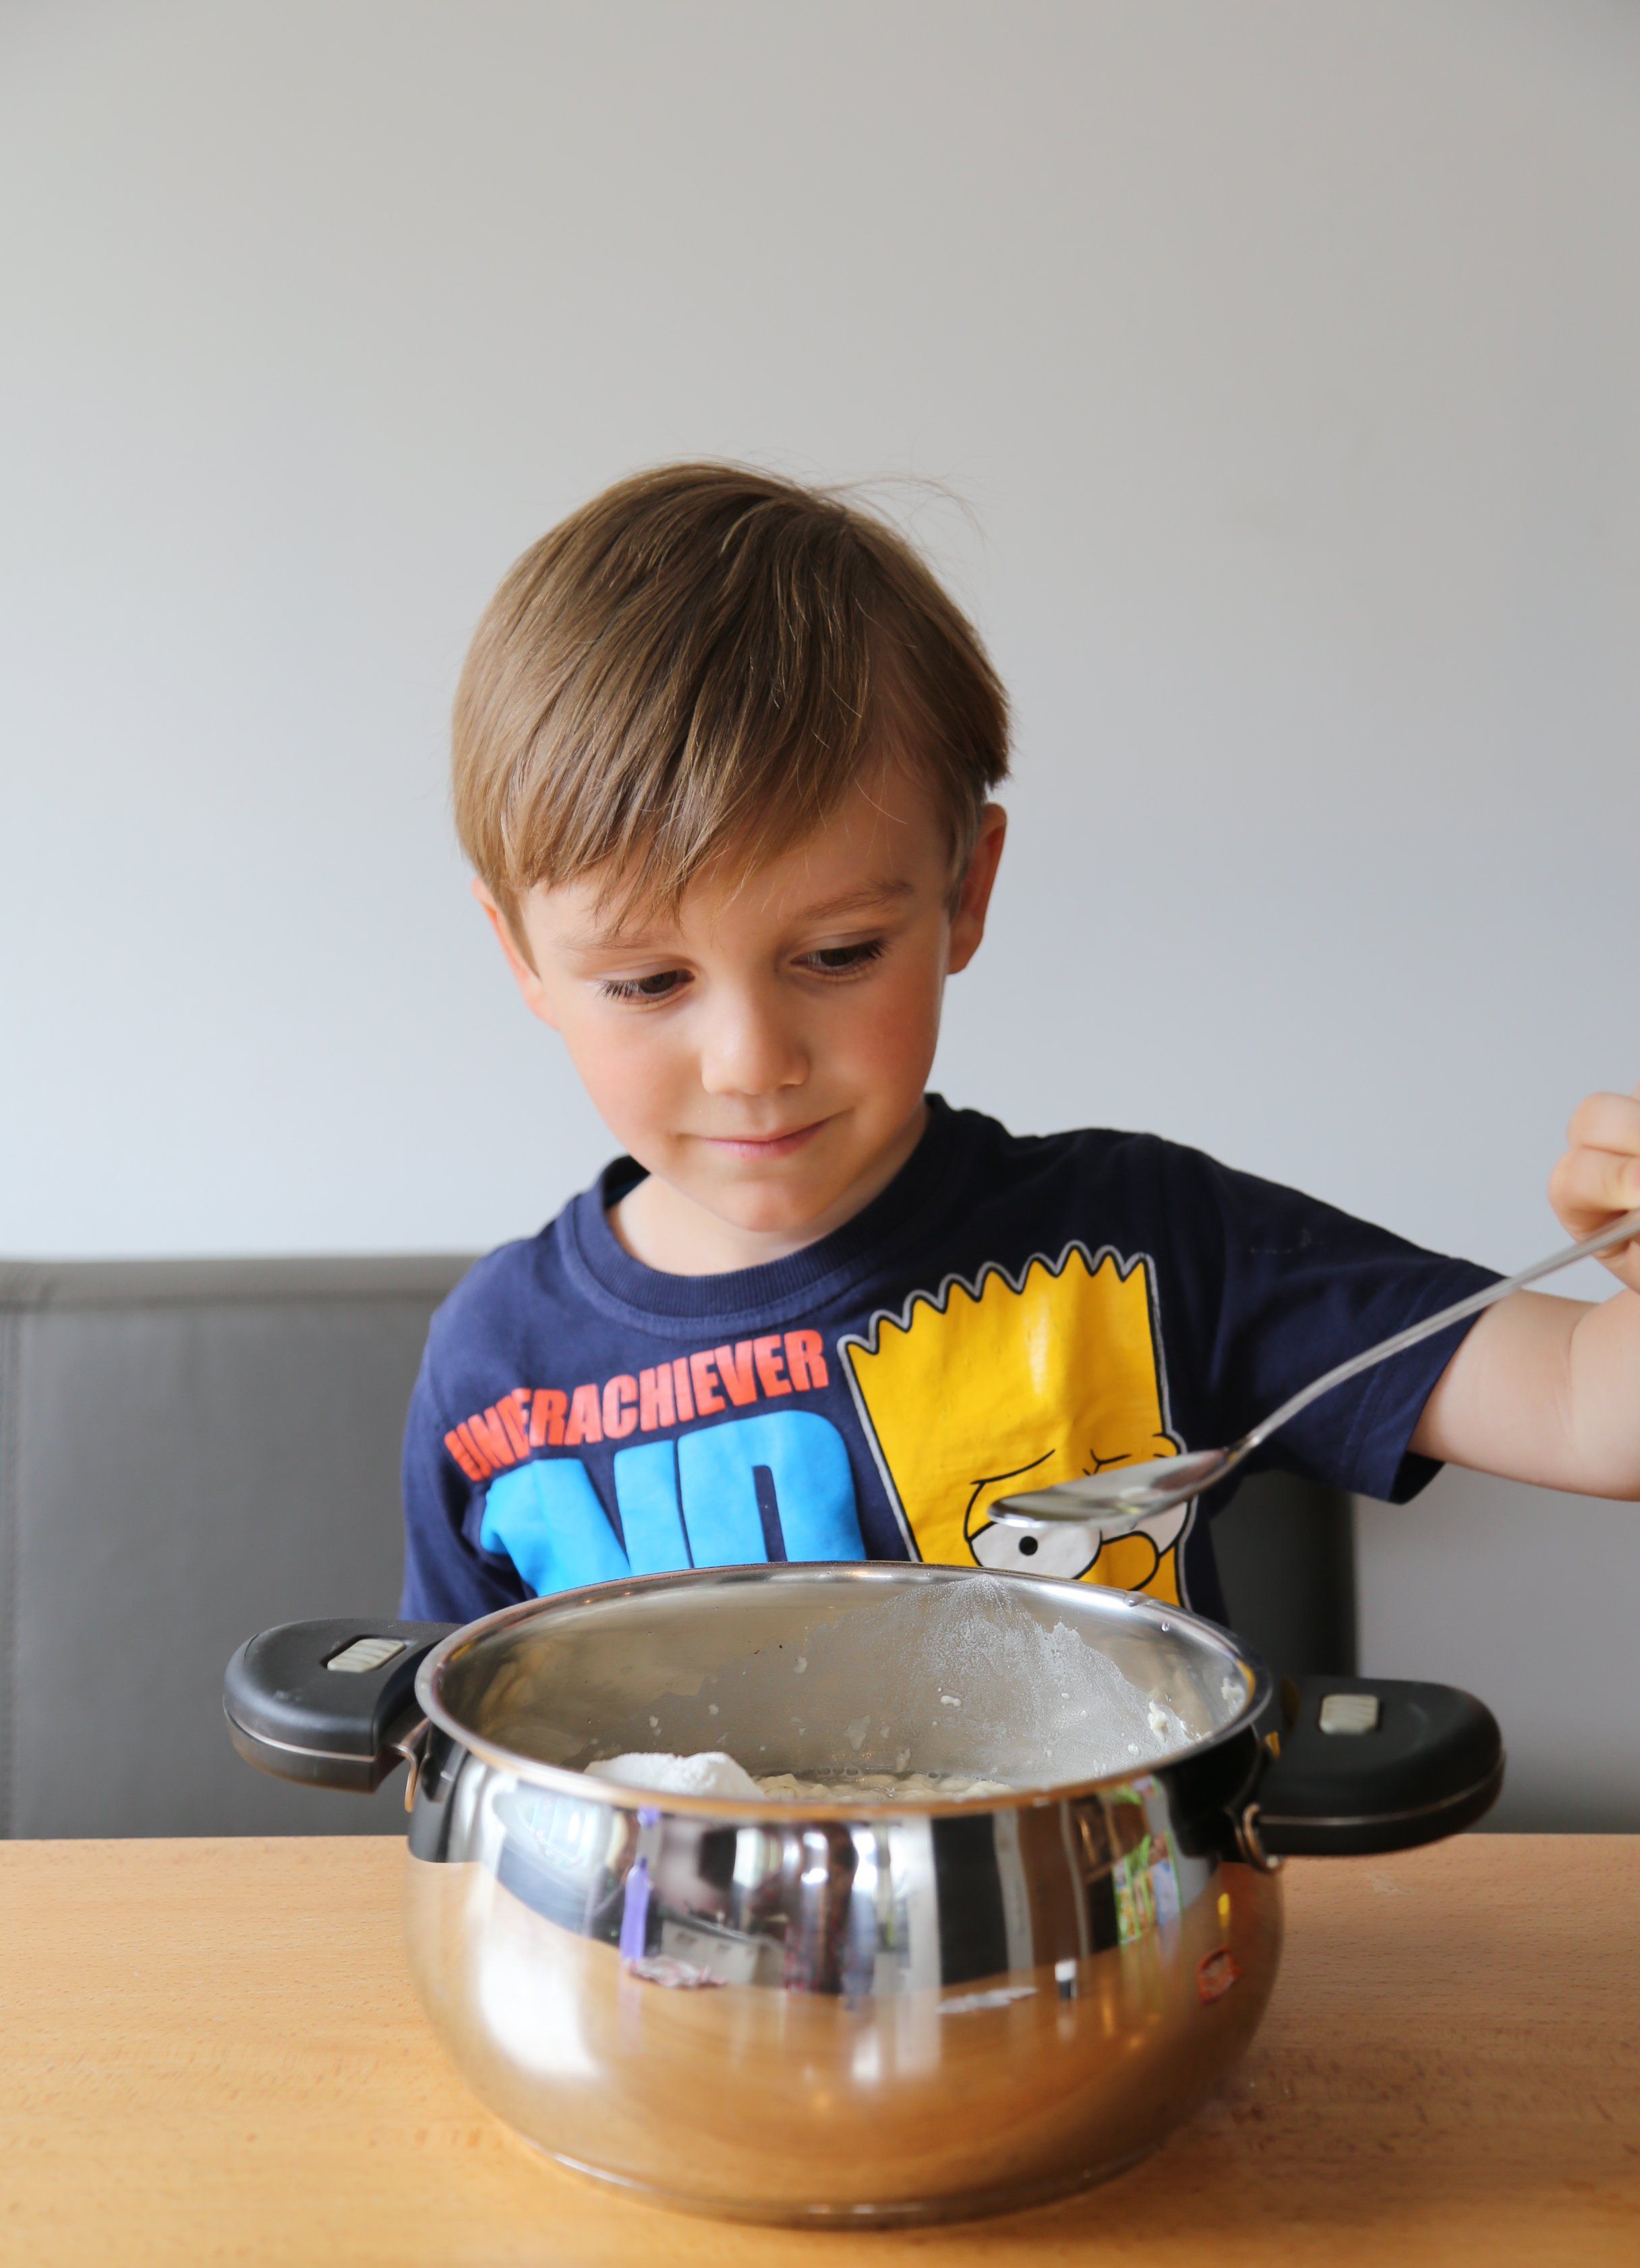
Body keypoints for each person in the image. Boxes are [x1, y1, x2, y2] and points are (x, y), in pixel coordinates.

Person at [400, 463, 1640, 1627]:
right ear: (522, 957)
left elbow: (1593, 1408)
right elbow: (441, 1740)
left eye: (838, 955)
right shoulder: (495, 1373)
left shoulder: (1145, 1245)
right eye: (648, 981)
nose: (751, 1062)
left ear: (965, 891)